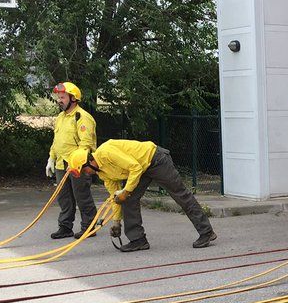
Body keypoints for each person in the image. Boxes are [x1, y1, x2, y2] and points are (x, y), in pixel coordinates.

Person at [65, 141, 215, 252]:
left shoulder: (106, 152)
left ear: (89, 161)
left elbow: (134, 167)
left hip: (155, 160)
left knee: (180, 194)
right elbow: (115, 197)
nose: (85, 174)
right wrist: (116, 222)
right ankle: (138, 240)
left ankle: (206, 232)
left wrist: (126, 191)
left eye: (83, 170)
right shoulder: (103, 174)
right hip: (140, 168)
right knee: (128, 200)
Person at [46, 81, 98, 239]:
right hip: (61, 163)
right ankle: (65, 227)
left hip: (79, 165)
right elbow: (57, 141)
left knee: (82, 196)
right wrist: (51, 158)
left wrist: (76, 163)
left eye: (62, 97)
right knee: (64, 198)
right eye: (58, 97)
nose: (59, 100)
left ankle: (89, 227)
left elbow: (86, 144)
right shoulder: (61, 117)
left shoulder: (82, 117)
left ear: (73, 98)